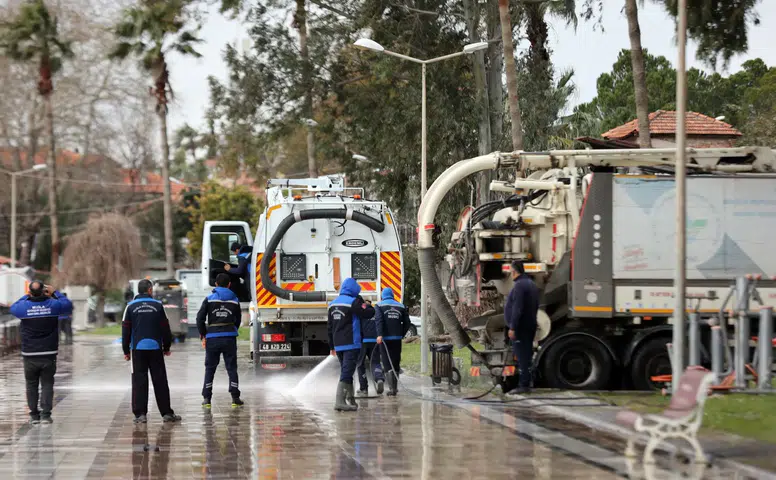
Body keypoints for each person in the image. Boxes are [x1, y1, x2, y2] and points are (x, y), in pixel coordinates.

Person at [122, 279, 181, 424]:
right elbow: (165, 328)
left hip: (137, 350)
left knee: (139, 381)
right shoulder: (158, 305)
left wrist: (126, 351)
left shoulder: (129, 307)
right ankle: (166, 413)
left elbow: (125, 330)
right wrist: (166, 347)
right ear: (149, 290)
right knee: (160, 380)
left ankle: (140, 415)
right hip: (155, 348)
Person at [10, 281, 69, 425]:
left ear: (30, 292)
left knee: (31, 384)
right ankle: (46, 416)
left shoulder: (23, 307)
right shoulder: (53, 305)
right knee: (47, 384)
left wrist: (27, 295)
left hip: (29, 353)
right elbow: (66, 304)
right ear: (44, 291)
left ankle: (34, 416)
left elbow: (13, 307)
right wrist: (55, 292)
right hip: (49, 353)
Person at [327, 278, 375, 412]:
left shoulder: (332, 304)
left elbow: (329, 327)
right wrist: (367, 304)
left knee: (346, 371)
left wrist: (331, 346)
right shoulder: (353, 302)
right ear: (353, 289)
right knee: (347, 373)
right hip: (351, 343)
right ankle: (339, 401)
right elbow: (369, 313)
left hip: (338, 345)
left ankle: (350, 399)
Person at [196, 273, 243, 408]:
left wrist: (203, 334)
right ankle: (235, 398)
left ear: (216, 284)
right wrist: (232, 329)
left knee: (210, 368)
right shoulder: (235, 300)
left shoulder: (209, 299)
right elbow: (238, 319)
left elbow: (199, 319)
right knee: (231, 367)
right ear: (229, 284)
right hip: (229, 338)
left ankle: (207, 399)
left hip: (212, 338)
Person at [504, 260, 540, 394]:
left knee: (522, 356)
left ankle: (523, 385)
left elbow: (517, 308)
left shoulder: (519, 286)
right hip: (529, 325)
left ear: (514, 271)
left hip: (520, 327)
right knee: (527, 354)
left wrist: (512, 327)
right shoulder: (531, 284)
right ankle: (528, 382)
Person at [375, 288, 411, 396]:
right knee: (395, 362)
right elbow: (407, 322)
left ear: (383, 296)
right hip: (396, 338)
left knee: (386, 362)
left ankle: (391, 389)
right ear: (392, 295)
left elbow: (379, 320)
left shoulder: (379, 306)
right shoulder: (400, 306)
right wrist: (402, 333)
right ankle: (395, 388)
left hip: (385, 339)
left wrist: (380, 334)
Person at [356, 302, 385, 397]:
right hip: (375, 341)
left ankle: (364, 389)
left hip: (363, 342)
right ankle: (379, 379)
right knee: (375, 362)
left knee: (360, 364)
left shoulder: (361, 313)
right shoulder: (376, 312)